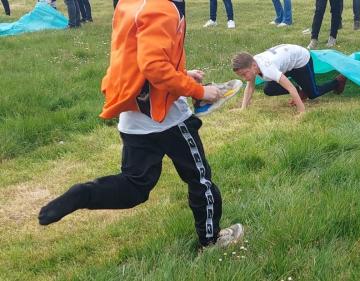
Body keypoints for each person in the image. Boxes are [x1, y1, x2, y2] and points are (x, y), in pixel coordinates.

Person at [38, 0, 244, 249]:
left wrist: (181, 75)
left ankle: (84, 194)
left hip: (133, 117)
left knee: (134, 186)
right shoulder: (165, 7)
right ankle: (210, 241)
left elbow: (135, 57)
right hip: (167, 118)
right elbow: (154, 66)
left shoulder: (131, 3)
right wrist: (199, 90)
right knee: (200, 180)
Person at [232, 44, 347, 114]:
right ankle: (301, 90)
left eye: (244, 74)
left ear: (253, 65)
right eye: (241, 76)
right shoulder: (253, 64)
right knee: (269, 89)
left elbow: (290, 87)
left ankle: (338, 81)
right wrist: (243, 108)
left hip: (301, 60)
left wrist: (301, 111)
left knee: (313, 93)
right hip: (287, 61)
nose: (244, 78)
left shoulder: (268, 69)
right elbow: (250, 87)